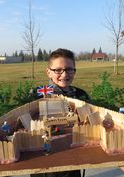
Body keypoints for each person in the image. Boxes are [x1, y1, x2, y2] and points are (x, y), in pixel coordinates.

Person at [31, 48, 89, 177]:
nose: (64, 74)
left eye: (69, 69)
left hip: (74, 157)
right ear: (48, 72)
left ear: (74, 71)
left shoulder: (81, 94)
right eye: (58, 70)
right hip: (43, 162)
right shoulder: (37, 94)